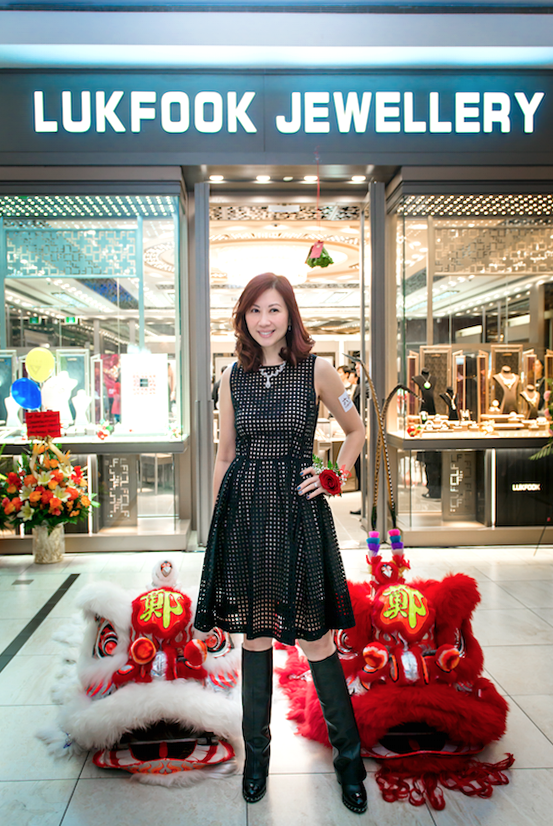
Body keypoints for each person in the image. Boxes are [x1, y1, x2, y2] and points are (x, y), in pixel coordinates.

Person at [194, 273, 367, 814]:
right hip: (246, 518)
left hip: (299, 516)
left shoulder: (317, 370)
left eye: (273, 310)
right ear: (243, 318)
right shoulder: (231, 377)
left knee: (317, 640)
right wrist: (219, 528)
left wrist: (335, 474)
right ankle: (257, 762)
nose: (264, 320)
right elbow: (225, 454)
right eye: (254, 311)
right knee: (255, 638)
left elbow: (357, 430)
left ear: (290, 314)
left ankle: (350, 765)